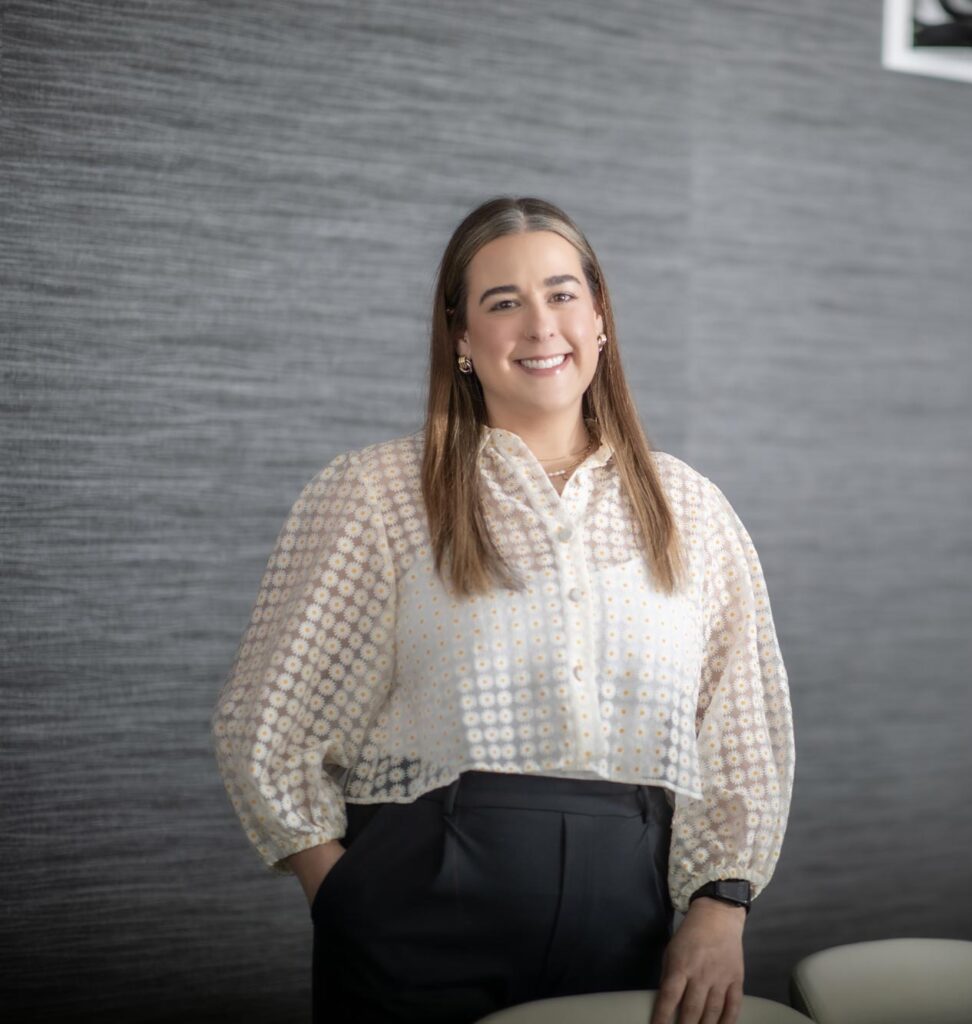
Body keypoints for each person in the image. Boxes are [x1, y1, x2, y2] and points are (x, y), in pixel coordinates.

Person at [210, 196, 795, 1024]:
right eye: (502, 302)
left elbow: (739, 731)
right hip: (416, 904)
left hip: (626, 907)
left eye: (561, 294)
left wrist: (720, 907)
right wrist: (343, 896)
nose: (539, 325)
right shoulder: (377, 494)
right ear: (460, 339)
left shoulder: (691, 510)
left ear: (599, 321)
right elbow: (266, 723)